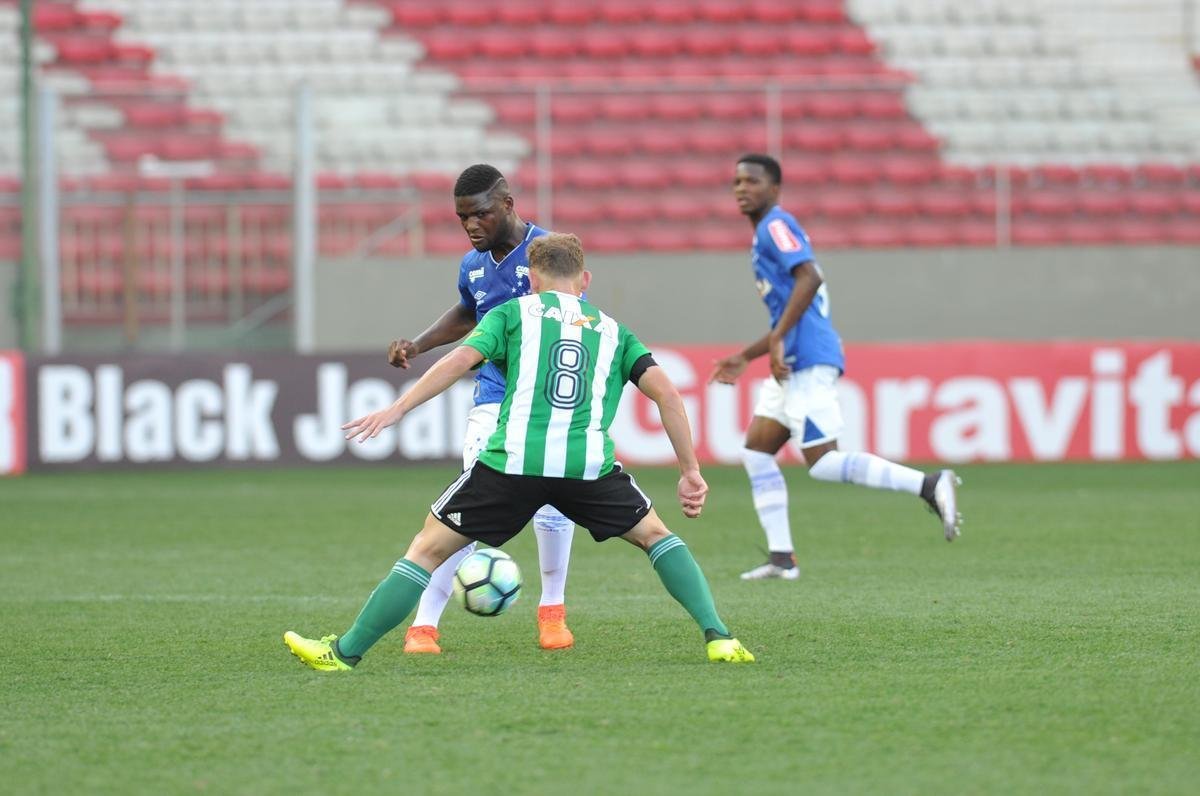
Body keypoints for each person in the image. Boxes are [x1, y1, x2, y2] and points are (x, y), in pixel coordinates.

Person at [284, 233, 755, 670]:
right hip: (586, 467)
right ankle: (721, 637)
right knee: (657, 537)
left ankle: (343, 654)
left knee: (426, 551)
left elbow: (458, 361)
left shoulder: (511, 314)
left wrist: (398, 408)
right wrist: (690, 471)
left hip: (511, 463)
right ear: (584, 280)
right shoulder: (614, 330)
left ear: (530, 279)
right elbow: (668, 396)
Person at [711, 154, 962, 581]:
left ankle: (929, 483)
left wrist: (774, 342)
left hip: (807, 359)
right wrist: (750, 354)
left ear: (774, 189)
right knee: (756, 451)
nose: (741, 188)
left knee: (823, 462)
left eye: (751, 181)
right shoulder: (763, 235)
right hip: (791, 357)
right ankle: (782, 558)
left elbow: (810, 278)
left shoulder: (775, 225)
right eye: (736, 181)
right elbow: (790, 308)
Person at [384, 164, 577, 653]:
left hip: (543, 400)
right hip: (492, 399)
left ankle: (552, 611)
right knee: (468, 506)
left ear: (508, 205)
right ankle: (424, 625)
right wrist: (420, 343)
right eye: (462, 218)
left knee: (553, 502)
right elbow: (470, 310)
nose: (471, 225)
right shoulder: (472, 264)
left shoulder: (547, 252)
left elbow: (573, 317)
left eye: (480, 215)